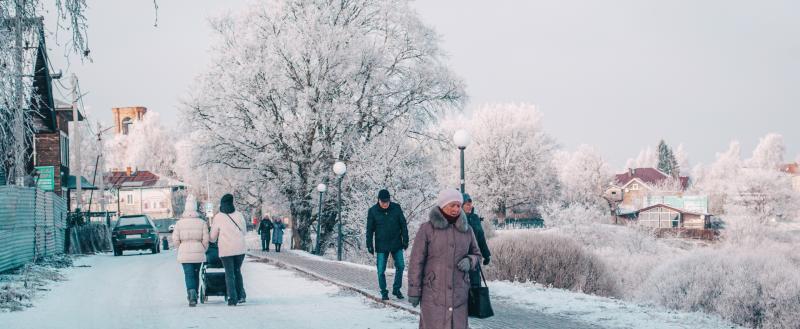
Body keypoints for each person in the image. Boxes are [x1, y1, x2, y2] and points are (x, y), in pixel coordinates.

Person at [408, 188, 482, 329]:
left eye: (458, 205)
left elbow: (477, 255)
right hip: (433, 294)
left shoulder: (467, 230)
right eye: (452, 205)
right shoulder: (427, 229)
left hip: (459, 296)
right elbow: (416, 262)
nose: (456, 209)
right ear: (442, 205)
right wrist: (414, 290)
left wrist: (470, 260)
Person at [366, 189, 409, 301]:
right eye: (383, 202)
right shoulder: (373, 211)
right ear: (378, 200)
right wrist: (369, 244)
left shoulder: (396, 208)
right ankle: (384, 291)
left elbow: (403, 224)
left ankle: (396, 289)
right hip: (381, 244)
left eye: (387, 201)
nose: (385, 204)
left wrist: (405, 239)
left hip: (396, 242)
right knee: (381, 270)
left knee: (401, 266)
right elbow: (369, 230)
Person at [210, 194, 247, 306]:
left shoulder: (218, 217)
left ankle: (232, 298)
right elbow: (244, 232)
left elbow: (212, 237)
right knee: (237, 271)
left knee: (229, 274)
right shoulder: (239, 215)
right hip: (240, 249)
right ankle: (241, 295)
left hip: (226, 250)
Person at [171, 194, 209, 307]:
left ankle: (191, 293)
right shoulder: (202, 223)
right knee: (196, 274)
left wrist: (181, 248)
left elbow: (175, 239)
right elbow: (206, 239)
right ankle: (195, 293)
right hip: (198, 252)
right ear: (195, 208)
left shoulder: (179, 223)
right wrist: (203, 248)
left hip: (184, 252)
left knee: (188, 274)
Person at [462, 193, 491, 288]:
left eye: (470, 204)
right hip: (461, 258)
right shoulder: (456, 219)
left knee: (475, 285)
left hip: (474, 257)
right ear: (461, 205)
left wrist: (486, 255)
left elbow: (481, 238)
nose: (470, 206)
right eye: (467, 205)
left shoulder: (475, 218)